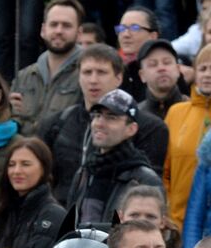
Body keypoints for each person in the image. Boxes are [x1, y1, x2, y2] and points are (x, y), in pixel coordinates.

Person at [39, 43, 169, 205]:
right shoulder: (56, 123)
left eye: (101, 72)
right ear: (78, 77)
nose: (93, 80)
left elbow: (148, 189)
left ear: (118, 78)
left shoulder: (150, 127)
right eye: (87, 72)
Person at [62, 89, 162, 233]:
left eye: (111, 117)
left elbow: (151, 232)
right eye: (97, 116)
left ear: (131, 129)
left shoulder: (144, 179)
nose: (99, 123)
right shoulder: (85, 171)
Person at [0, 136, 66, 248]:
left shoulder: (53, 215)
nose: (16, 171)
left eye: (25, 164)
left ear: (44, 168)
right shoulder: (1, 213)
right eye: (11, 164)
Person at [163, 46, 211, 229]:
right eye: (203, 68)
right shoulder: (176, 112)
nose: (207, 74)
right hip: (177, 222)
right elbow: (164, 170)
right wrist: (167, 210)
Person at [138, 38, 187, 121]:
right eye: (153, 64)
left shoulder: (194, 110)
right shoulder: (136, 117)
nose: (161, 68)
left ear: (178, 69)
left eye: (167, 62)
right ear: (142, 75)